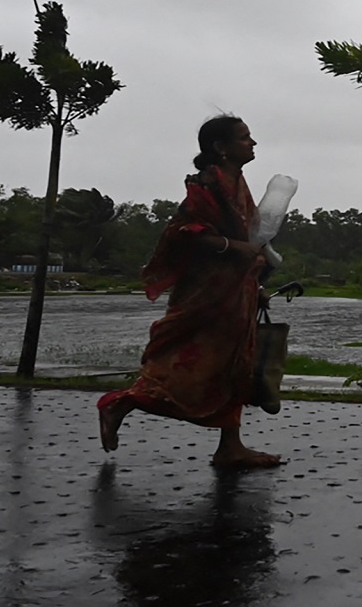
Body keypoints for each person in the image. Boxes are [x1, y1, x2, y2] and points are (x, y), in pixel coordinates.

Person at [97, 115, 283, 468]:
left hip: (235, 293)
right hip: (206, 297)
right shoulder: (206, 186)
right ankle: (122, 402)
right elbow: (183, 233)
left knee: (234, 366)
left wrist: (255, 282)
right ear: (221, 147)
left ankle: (231, 446)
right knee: (189, 369)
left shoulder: (237, 182)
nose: (252, 143)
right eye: (245, 138)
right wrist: (231, 247)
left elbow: (252, 240)